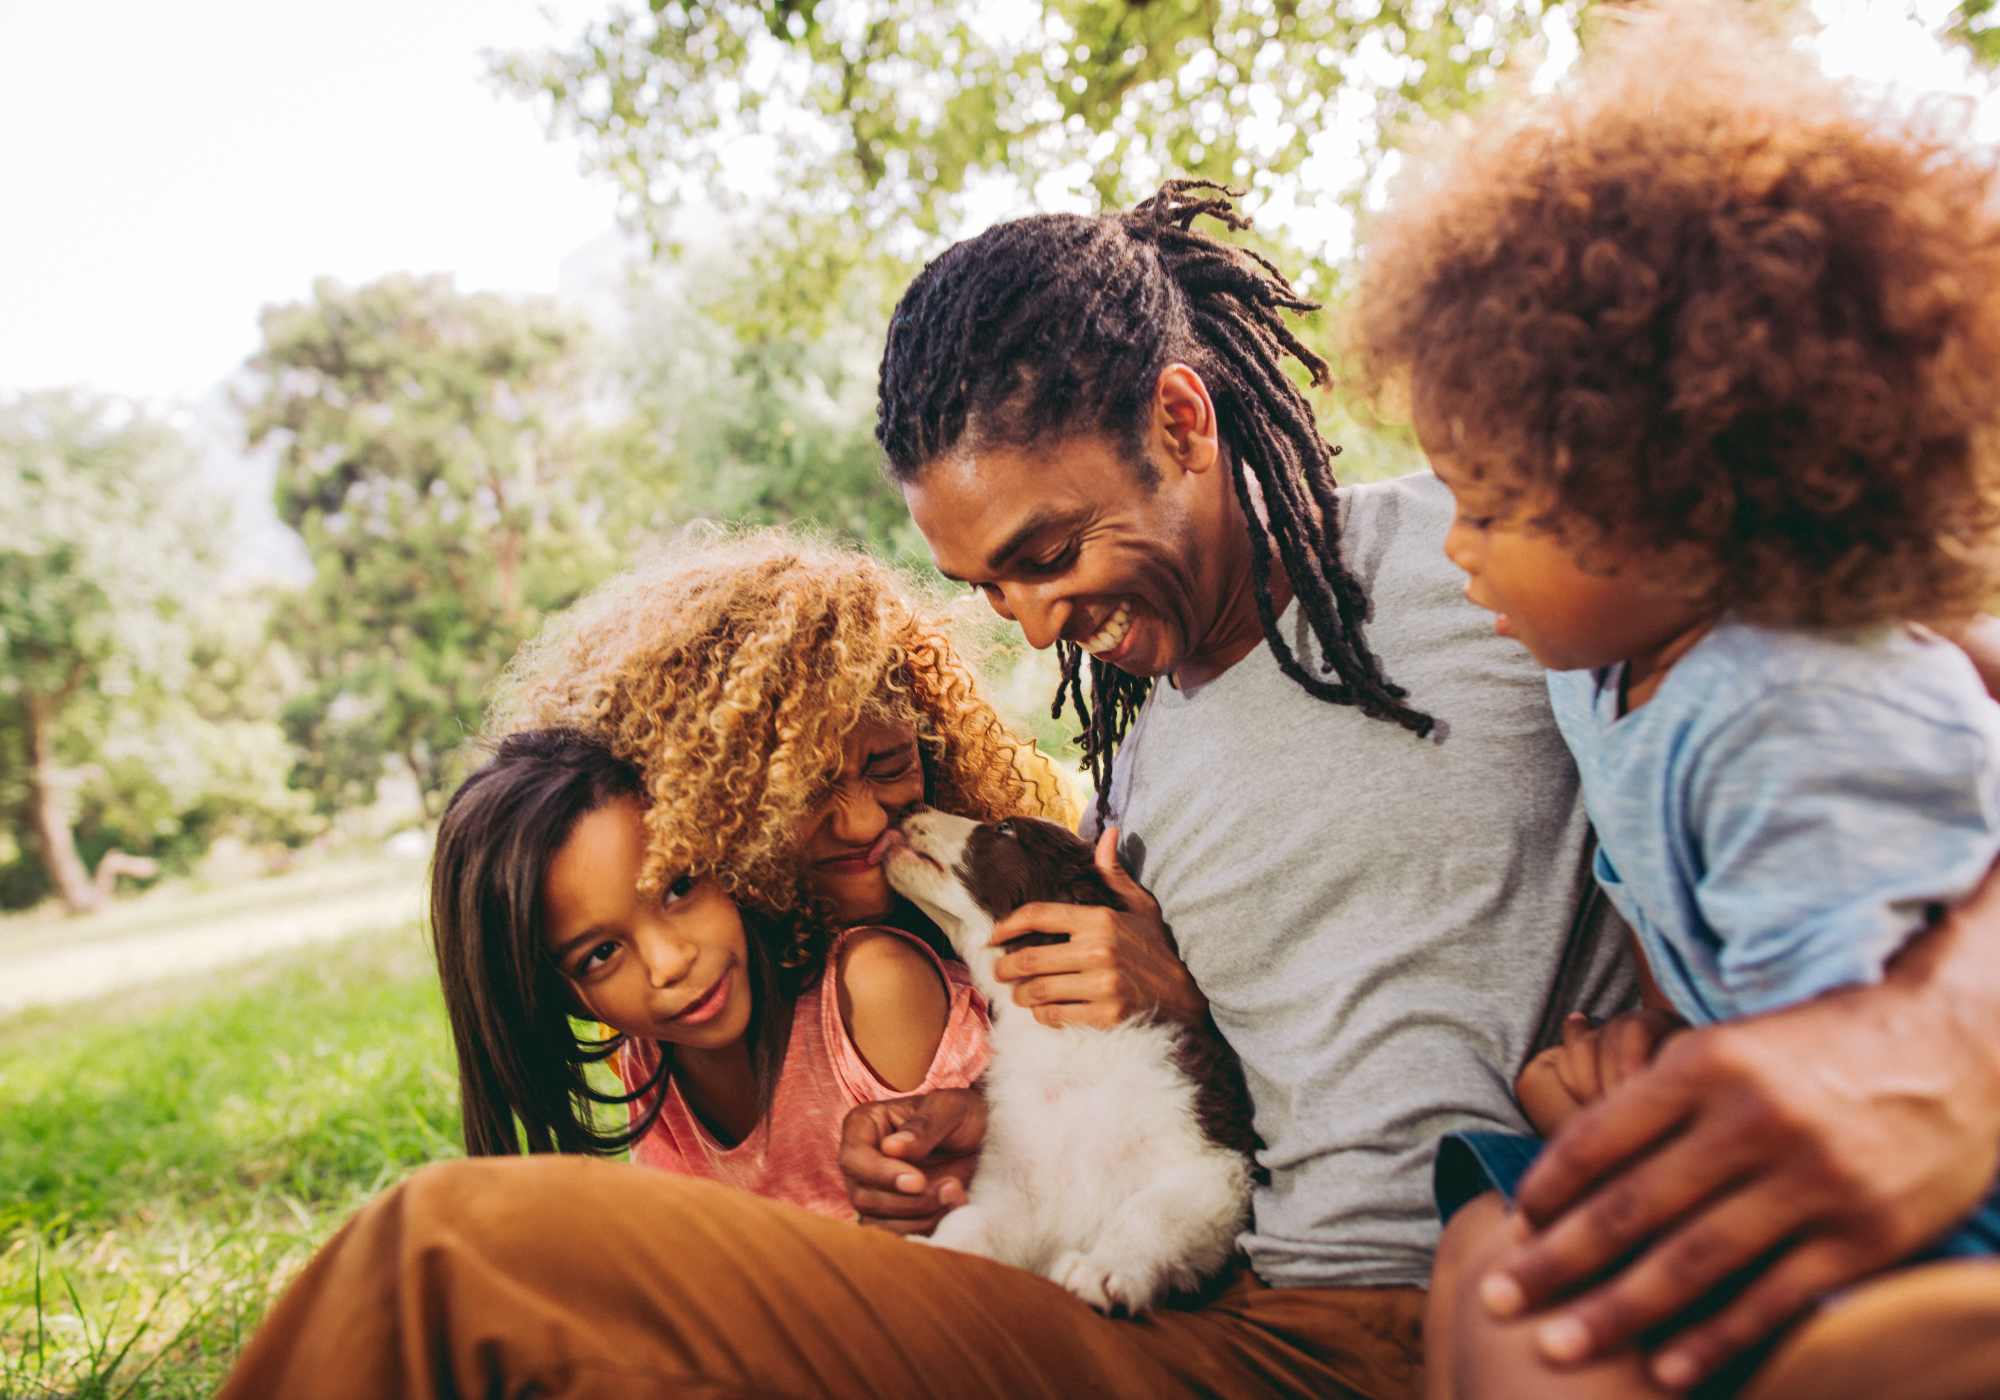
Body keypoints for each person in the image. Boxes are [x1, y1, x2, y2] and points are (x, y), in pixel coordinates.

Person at [218, 186, 2000, 1399]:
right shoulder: (1132, 777)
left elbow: (1929, 694)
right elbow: (1190, 1119)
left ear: (1182, 420)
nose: (1029, 618)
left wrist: (1941, 1044)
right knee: (482, 1282)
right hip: (1209, 1324)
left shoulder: (1510, 564)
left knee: (447, 1250)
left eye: (1050, 549)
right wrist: (1106, 1057)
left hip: (1473, 1302)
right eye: (984, 584)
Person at [1340, 8, 2000, 1393]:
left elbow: (1845, 1069)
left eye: (1494, 508)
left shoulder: (1797, 707)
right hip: (1773, 1104)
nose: (1454, 550)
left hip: (1912, 1182)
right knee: (1483, 1245)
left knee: (1537, 1309)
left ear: (1690, 507)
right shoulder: (1597, 664)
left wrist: (1666, 1092)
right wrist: (1643, 1055)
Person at [427, 533, 1073, 1216]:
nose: (862, 824)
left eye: (888, 765)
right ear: (709, 805)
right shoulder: (657, 1042)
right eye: (804, 792)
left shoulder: (878, 985)